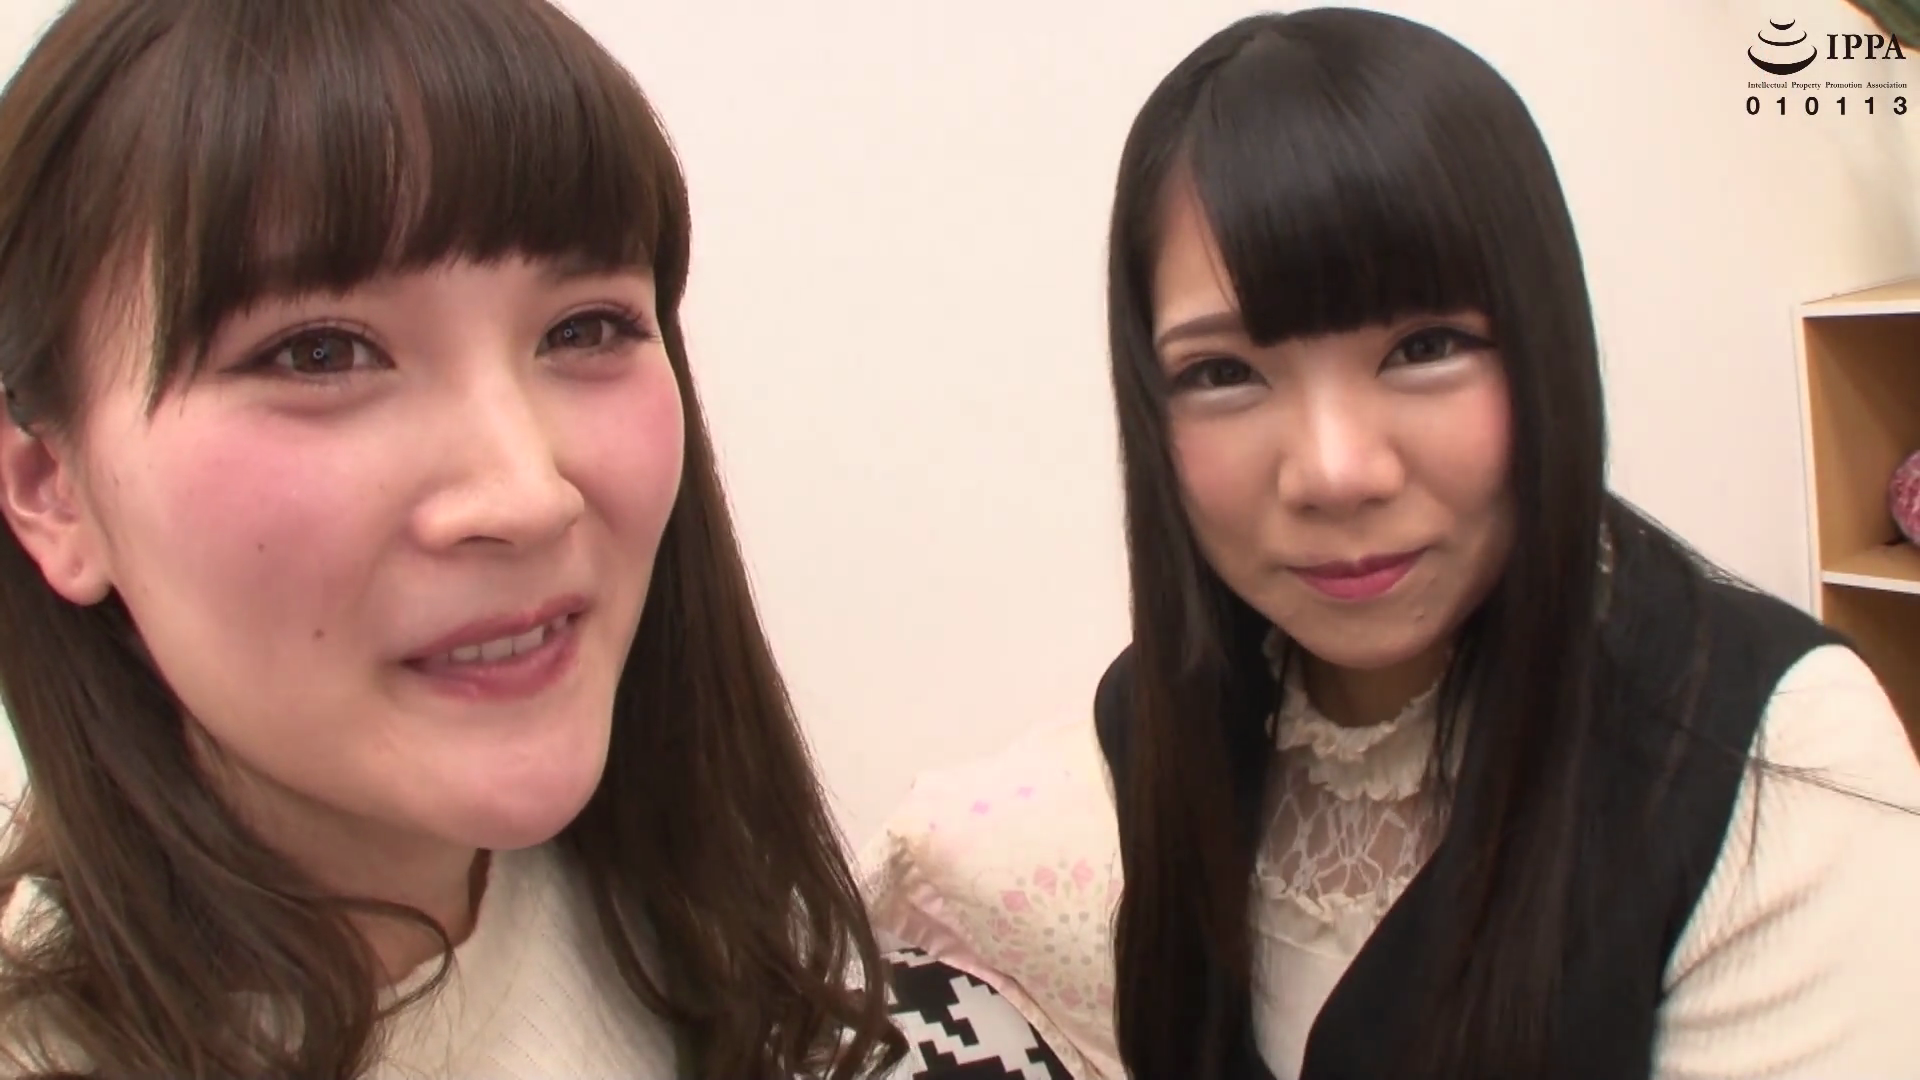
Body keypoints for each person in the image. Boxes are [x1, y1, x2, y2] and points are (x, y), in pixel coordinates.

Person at [0, 1, 1059, 1077]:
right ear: (51, 490)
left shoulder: (869, 1023)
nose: (526, 494)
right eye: (319, 353)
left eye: (585, 328)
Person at [1091, 9, 1920, 1080]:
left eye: (1425, 347)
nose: (1335, 472)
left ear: (1543, 341)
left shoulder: (1774, 759)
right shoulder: (1157, 716)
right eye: (1222, 374)